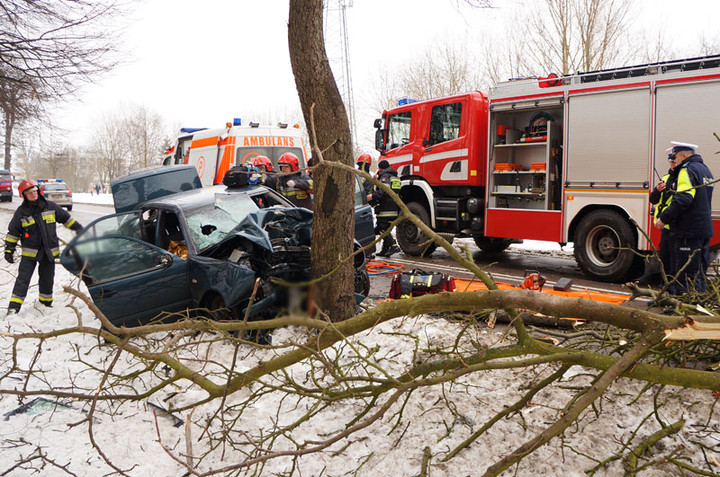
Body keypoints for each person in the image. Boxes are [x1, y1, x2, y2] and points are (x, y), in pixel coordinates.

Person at [4, 180, 83, 314]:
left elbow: (66, 218)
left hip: (49, 252)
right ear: (24, 195)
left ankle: (45, 304)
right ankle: (13, 308)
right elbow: (13, 232)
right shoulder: (21, 212)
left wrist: (79, 229)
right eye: (29, 193)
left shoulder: (50, 206)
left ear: (38, 191)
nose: (33, 194)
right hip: (30, 254)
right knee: (23, 280)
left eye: (34, 191)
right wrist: (9, 250)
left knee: (47, 279)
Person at [655, 141, 714, 294]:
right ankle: (695, 304)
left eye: (676, 157)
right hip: (702, 230)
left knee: (684, 274)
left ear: (684, 156)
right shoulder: (705, 170)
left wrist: (664, 218)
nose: (675, 161)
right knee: (698, 273)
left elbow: (684, 199)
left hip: (688, 230)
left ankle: (681, 307)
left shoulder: (687, 170)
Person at [647, 150, 679, 279]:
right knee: (664, 258)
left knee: (674, 260)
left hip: (676, 226)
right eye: (671, 161)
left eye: (675, 161)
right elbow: (653, 200)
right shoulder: (665, 178)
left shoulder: (683, 178)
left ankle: (672, 288)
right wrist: (657, 190)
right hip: (665, 227)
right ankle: (664, 286)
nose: (673, 164)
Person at [370, 159, 401, 257]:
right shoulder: (395, 177)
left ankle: (393, 245)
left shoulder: (384, 176)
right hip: (394, 207)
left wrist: (372, 195)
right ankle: (385, 250)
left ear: (380, 168)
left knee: (381, 228)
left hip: (385, 208)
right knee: (386, 229)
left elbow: (382, 192)